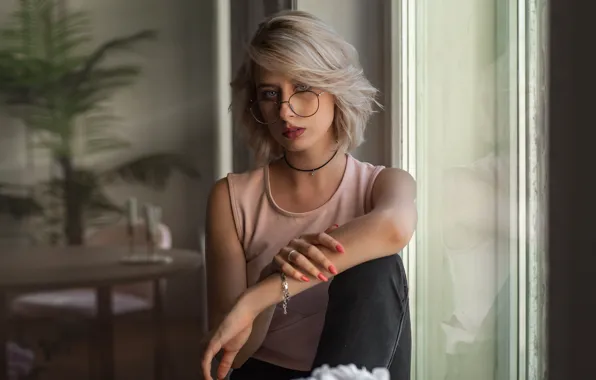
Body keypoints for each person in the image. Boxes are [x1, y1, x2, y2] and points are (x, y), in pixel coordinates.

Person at [202, 10, 417, 380]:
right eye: (270, 94)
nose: (285, 110)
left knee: (378, 267)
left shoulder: (382, 185)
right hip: (266, 373)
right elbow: (232, 357)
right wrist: (267, 283)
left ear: (335, 89)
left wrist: (265, 292)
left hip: (356, 371)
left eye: (302, 88)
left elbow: (395, 227)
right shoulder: (231, 198)